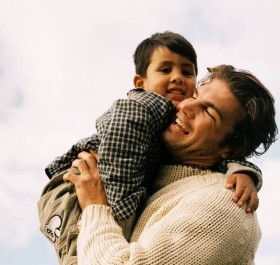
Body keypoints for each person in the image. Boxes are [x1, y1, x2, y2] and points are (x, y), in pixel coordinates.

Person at [38, 32, 261, 264]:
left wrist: (245, 173)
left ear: (231, 148)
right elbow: (118, 158)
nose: (186, 105)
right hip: (73, 183)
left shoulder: (222, 204)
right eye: (195, 95)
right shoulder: (144, 111)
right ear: (140, 82)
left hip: (101, 190)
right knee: (74, 244)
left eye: (209, 112)